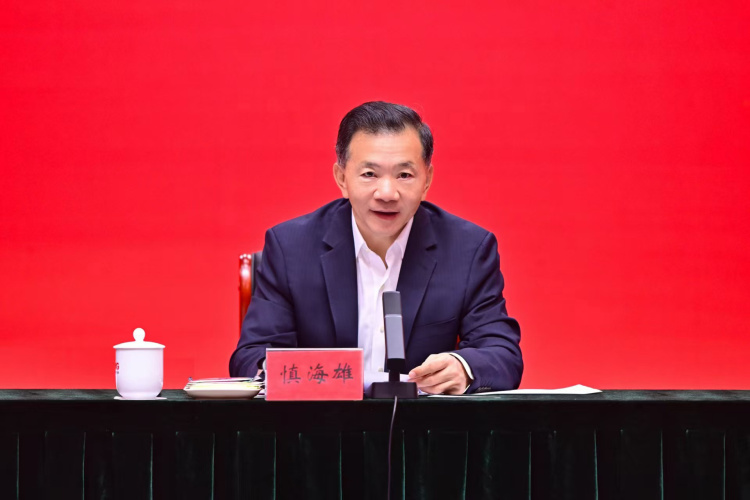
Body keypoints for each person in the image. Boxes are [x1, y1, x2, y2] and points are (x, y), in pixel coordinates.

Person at [229, 101, 522, 394]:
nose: (387, 193)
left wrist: (463, 367)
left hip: (422, 422)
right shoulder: (291, 248)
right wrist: (291, 374)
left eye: (404, 175)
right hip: (321, 420)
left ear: (427, 181)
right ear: (342, 178)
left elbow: (502, 354)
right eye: (369, 174)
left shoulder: (467, 250)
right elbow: (251, 356)